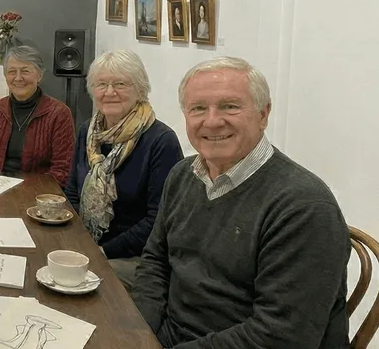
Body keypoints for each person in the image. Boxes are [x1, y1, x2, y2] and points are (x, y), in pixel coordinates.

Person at [133, 57, 349, 347]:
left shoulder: (304, 207)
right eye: (198, 108)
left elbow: (281, 337)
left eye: (229, 106)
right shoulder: (183, 175)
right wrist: (139, 332)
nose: (212, 121)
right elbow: (155, 261)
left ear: (263, 114)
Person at [63, 50, 182, 291]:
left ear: (140, 89)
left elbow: (157, 221)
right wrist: (79, 240)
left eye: (120, 84)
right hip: (89, 244)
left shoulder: (160, 141)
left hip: (136, 257)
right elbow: (72, 192)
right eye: (101, 84)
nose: (109, 92)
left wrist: (101, 251)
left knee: (74, 283)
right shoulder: (89, 132)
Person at [0, 46, 74, 185]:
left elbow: (62, 170)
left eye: (25, 71)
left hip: (39, 195)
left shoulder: (59, 114)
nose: (18, 78)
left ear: (39, 75)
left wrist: (24, 192)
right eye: (12, 72)